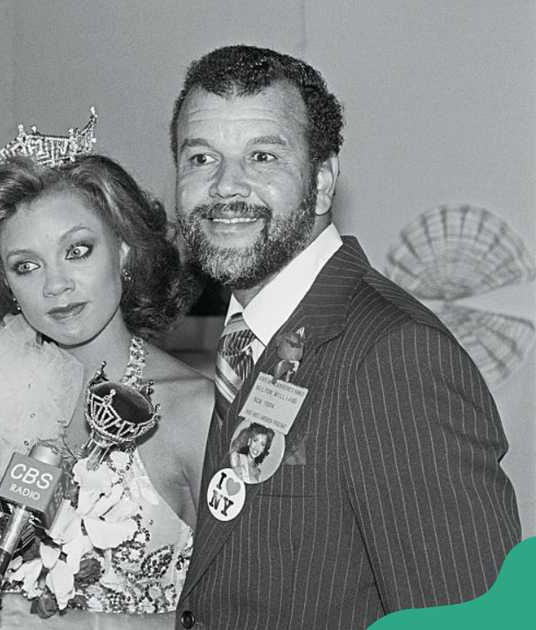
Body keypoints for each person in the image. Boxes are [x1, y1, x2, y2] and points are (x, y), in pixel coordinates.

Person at [169, 45, 521, 629]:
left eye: (262, 156)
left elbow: (473, 619)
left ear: (323, 180)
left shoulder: (394, 356)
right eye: (201, 157)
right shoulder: (246, 339)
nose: (226, 187)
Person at [0, 148, 213, 627]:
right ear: (6, 281)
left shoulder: (193, 408)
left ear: (124, 250)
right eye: (26, 265)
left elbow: (249, 608)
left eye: (77, 251)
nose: (56, 285)